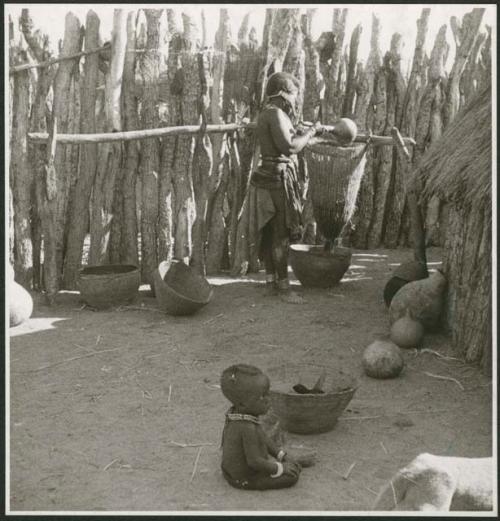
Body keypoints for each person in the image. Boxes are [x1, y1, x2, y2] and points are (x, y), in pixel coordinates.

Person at [250, 71, 324, 304]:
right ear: (283, 94)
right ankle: (283, 288)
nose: (294, 100)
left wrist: (305, 133)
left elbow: (284, 140)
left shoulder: (267, 114)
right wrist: (311, 132)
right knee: (280, 234)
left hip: (267, 177)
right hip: (277, 179)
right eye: (293, 95)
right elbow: (290, 147)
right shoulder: (276, 114)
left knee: (271, 232)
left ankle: (271, 283)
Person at [220, 364, 314, 490]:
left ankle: (285, 463)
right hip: (244, 478)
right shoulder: (247, 428)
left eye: (268, 393)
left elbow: (263, 438)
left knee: (280, 463)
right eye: (262, 396)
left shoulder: (239, 415)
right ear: (242, 404)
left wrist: (282, 456)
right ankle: (254, 482)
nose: (268, 399)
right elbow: (254, 462)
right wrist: (280, 468)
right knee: (292, 477)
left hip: (229, 469)